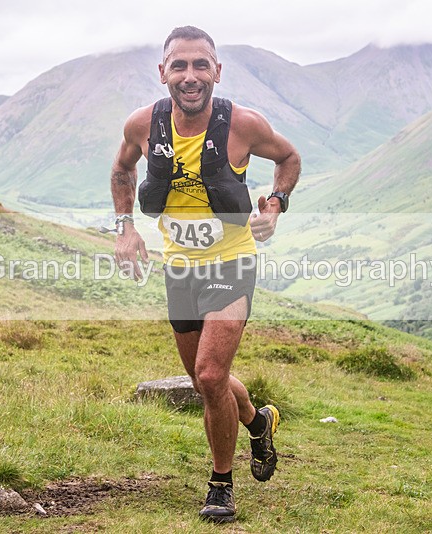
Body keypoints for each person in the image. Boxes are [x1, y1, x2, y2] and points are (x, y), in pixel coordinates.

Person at [110, 26, 300, 523]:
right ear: (163, 73)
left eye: (200, 66)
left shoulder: (242, 124)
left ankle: (221, 485)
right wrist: (125, 228)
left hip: (231, 262)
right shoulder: (142, 125)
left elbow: (289, 157)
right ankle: (259, 422)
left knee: (212, 374)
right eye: (179, 66)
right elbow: (121, 170)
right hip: (179, 268)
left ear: (217, 71)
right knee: (203, 380)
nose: (190, 76)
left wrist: (276, 205)